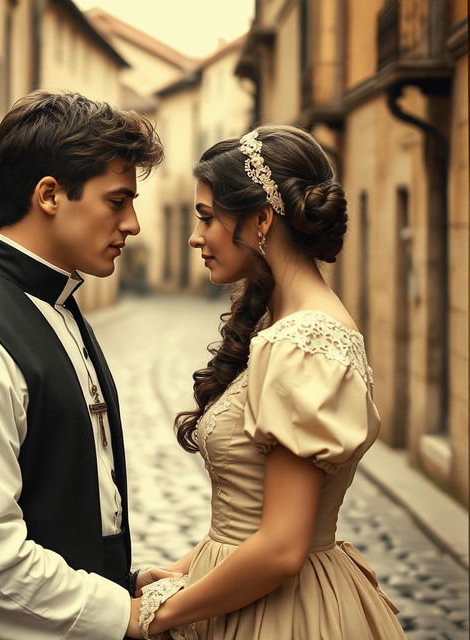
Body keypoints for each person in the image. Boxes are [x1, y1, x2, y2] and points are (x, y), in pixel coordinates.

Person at [0, 91, 177, 640]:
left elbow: (63, 506)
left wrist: (125, 581)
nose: (133, 224)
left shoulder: (57, 306)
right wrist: (127, 617)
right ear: (49, 195)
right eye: (117, 201)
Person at [130, 125, 407, 639]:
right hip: (246, 595)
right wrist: (176, 574)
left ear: (261, 220)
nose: (196, 237)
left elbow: (280, 547)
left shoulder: (301, 341)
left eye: (207, 218)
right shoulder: (284, 327)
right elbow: (243, 521)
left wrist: (152, 617)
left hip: (281, 615)